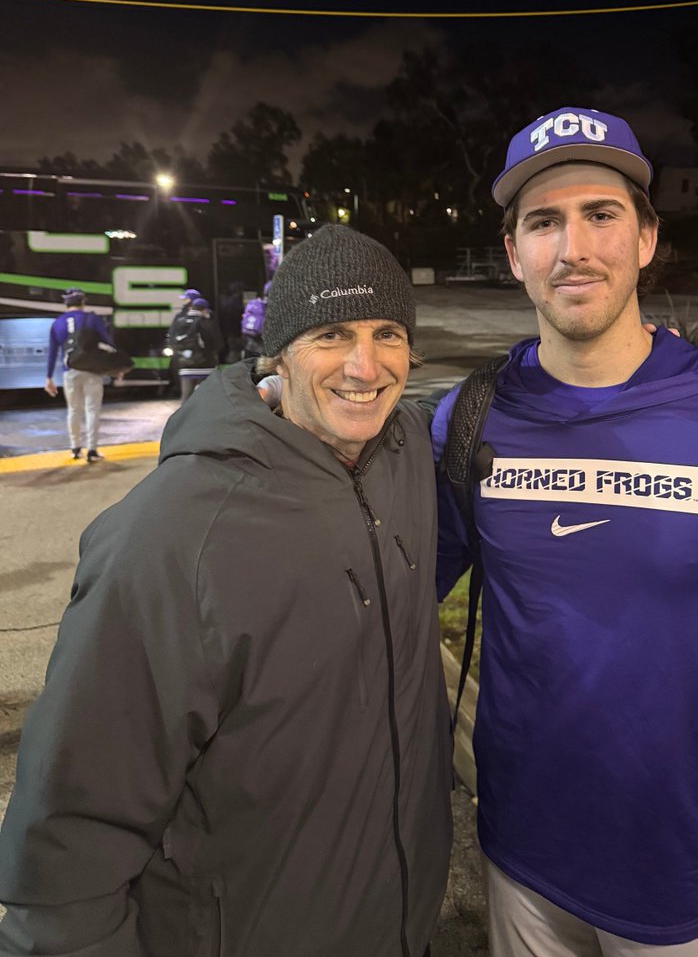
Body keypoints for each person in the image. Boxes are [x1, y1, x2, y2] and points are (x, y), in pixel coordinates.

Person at [431, 108, 698, 955]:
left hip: (689, 878)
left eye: (601, 214)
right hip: (522, 855)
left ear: (648, 238)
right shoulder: (469, 421)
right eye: (543, 222)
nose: (573, 247)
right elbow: (373, 576)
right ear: (514, 254)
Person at [0, 225, 452, 957]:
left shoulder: (403, 458)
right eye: (332, 333)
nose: (365, 365)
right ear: (278, 354)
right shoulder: (173, 533)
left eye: (388, 332)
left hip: (396, 922)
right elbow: (72, 830)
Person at [44, 287, 114, 462]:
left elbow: (53, 352)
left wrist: (49, 377)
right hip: (92, 370)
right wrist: (115, 368)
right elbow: (108, 344)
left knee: (73, 410)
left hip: (70, 371)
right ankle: (92, 450)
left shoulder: (57, 323)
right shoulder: (92, 319)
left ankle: (75, 448)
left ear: (66, 303)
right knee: (92, 410)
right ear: (83, 302)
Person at [170, 296, 224, 401]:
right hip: (206, 366)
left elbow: (171, 340)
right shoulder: (206, 323)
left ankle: (184, 416)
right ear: (205, 310)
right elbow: (219, 344)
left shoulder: (179, 321)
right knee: (207, 397)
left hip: (185, 365)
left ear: (191, 308)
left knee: (186, 396)